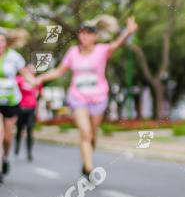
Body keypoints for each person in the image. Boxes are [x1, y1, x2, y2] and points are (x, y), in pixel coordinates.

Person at [36, 17, 138, 177]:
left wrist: (128, 32)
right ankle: (89, 168)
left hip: (98, 98)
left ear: (94, 37)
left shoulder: (102, 50)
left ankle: (87, 159)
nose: (84, 37)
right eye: (82, 34)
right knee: (85, 132)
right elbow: (59, 71)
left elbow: (117, 45)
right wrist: (40, 78)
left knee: (92, 135)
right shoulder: (72, 53)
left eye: (88, 34)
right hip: (78, 98)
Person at [0, 30, 37, 182]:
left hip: (11, 101)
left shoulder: (14, 57)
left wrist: (36, 81)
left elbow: (26, 75)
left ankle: (6, 157)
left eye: (1, 40)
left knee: (8, 138)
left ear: (6, 42)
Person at [15, 65, 42, 161]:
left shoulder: (37, 82)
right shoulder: (19, 80)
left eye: (33, 70)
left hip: (31, 109)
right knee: (19, 129)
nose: (32, 71)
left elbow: (38, 96)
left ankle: (29, 152)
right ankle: (17, 146)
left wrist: (38, 111)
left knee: (30, 130)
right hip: (20, 108)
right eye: (29, 69)